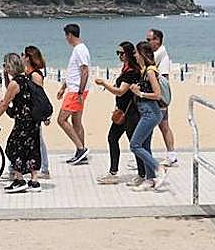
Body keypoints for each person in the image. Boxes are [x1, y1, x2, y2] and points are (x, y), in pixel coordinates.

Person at [0, 53, 40, 193]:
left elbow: (5, 104)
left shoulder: (15, 83)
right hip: (33, 121)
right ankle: (34, 181)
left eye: (5, 65)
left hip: (23, 122)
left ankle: (19, 179)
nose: (4, 67)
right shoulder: (27, 79)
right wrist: (5, 76)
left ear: (10, 66)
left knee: (12, 147)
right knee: (31, 149)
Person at [93, 40, 143, 185]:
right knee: (113, 138)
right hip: (122, 112)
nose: (119, 56)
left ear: (128, 54)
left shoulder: (132, 71)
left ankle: (143, 173)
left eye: (122, 53)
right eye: (117, 53)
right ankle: (113, 172)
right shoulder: (126, 69)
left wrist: (104, 84)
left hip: (130, 113)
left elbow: (121, 91)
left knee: (134, 144)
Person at [127, 40, 165, 191]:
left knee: (135, 145)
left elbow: (157, 94)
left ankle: (158, 168)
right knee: (145, 146)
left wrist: (139, 93)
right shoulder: (144, 71)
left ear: (142, 54)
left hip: (151, 113)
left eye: (136, 52)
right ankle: (150, 179)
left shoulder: (150, 71)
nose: (135, 55)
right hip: (146, 113)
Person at [57, 23, 90, 165]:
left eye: (66, 36)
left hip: (76, 91)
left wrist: (80, 92)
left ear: (70, 35)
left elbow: (84, 71)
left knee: (61, 119)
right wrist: (63, 87)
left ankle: (81, 148)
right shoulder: (78, 49)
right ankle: (81, 152)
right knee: (76, 121)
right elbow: (73, 72)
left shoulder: (80, 49)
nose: (66, 39)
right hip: (75, 89)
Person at [146, 28, 179, 167]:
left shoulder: (162, 57)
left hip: (159, 99)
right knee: (162, 125)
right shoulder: (156, 55)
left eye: (150, 40)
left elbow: (164, 79)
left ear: (157, 40)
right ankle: (170, 154)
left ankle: (170, 155)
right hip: (158, 98)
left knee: (162, 125)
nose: (148, 42)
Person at [22, 45, 51, 179]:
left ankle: (45, 168)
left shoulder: (35, 75)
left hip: (35, 112)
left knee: (38, 139)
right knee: (32, 139)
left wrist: (45, 116)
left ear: (28, 58)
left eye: (23, 55)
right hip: (28, 111)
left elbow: (40, 96)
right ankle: (21, 167)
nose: (22, 57)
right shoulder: (28, 73)